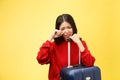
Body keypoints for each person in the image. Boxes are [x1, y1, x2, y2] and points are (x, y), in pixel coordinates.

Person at [36, 14, 95, 80]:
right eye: (63, 29)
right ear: (58, 30)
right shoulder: (53, 46)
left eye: (69, 27)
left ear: (73, 27)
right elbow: (40, 59)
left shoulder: (81, 43)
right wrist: (50, 37)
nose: (66, 31)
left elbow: (90, 63)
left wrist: (79, 43)